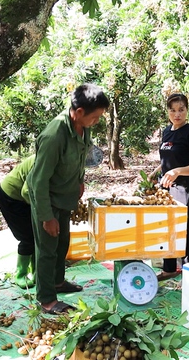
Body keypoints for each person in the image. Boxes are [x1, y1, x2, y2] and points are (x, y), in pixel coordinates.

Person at [27, 83, 110, 315]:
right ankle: (46, 299)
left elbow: (81, 156)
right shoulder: (54, 135)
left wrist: (80, 180)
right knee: (47, 248)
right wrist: (46, 216)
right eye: (95, 117)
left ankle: (57, 282)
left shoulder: (83, 128)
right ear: (79, 112)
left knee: (62, 243)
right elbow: (38, 181)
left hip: (65, 197)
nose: (97, 121)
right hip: (48, 199)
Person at [148, 93, 189, 281]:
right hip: (166, 186)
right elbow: (167, 159)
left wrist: (178, 172)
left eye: (181, 110)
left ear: (187, 110)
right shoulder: (167, 132)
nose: (177, 114)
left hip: (184, 186)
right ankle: (169, 268)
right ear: (167, 111)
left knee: (184, 226)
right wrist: (155, 172)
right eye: (172, 110)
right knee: (167, 226)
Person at [0, 154, 36, 289]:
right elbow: (26, 192)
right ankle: (21, 274)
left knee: (39, 235)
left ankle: (37, 272)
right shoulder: (46, 158)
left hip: (28, 197)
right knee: (28, 236)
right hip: (12, 196)